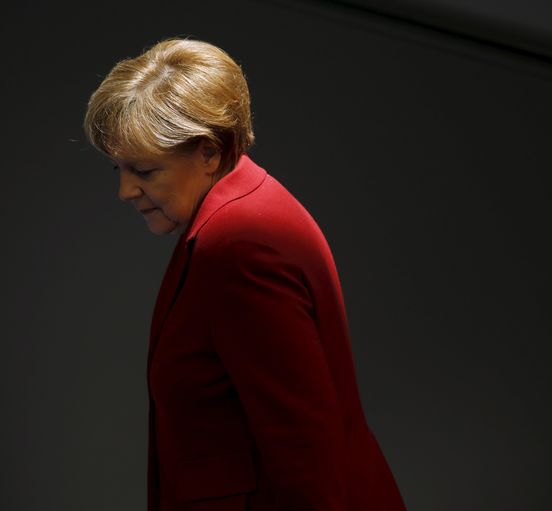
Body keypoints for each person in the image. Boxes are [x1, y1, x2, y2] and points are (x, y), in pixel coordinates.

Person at [83, 36, 406, 511]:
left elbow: (302, 449)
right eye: (118, 168)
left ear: (209, 153)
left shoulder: (239, 243)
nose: (124, 190)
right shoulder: (241, 211)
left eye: (144, 171)